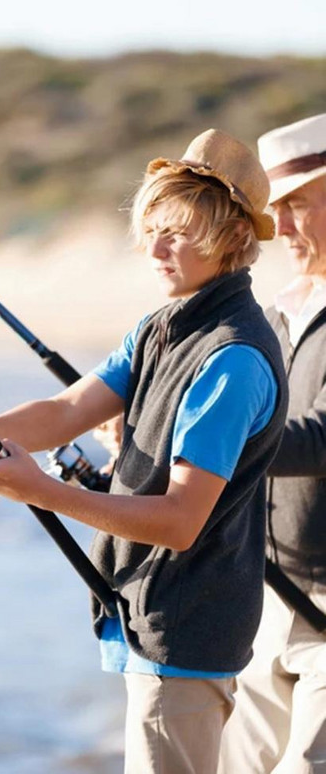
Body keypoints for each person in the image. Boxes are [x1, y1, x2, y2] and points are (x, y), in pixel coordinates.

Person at [0, 129, 288, 774]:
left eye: (181, 233)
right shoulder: (165, 324)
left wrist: (43, 492)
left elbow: (181, 521)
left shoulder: (233, 360)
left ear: (232, 237)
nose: (156, 249)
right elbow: (67, 411)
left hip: (187, 627)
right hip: (153, 617)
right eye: (154, 228)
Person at [218, 113, 326, 774]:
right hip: (263, 598)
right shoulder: (276, 312)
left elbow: (318, 438)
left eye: (297, 207)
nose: (279, 229)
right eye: (273, 211)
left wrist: (205, 442)